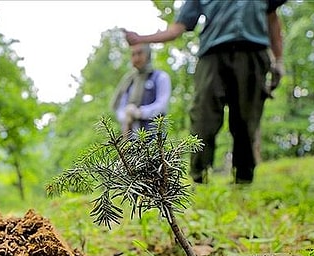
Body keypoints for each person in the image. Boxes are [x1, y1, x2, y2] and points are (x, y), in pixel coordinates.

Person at [125, 0, 286, 184]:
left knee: (246, 120)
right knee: (203, 118)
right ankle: (199, 179)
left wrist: (279, 60)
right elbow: (177, 28)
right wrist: (141, 39)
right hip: (212, 56)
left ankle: (243, 181)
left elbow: (272, 18)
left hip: (253, 53)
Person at [112, 42, 172, 139]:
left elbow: (162, 106)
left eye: (140, 53)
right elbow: (120, 108)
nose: (136, 58)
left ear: (147, 54)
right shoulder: (128, 81)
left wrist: (139, 113)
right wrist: (126, 115)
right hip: (130, 139)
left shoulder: (160, 77)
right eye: (133, 54)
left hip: (155, 139)